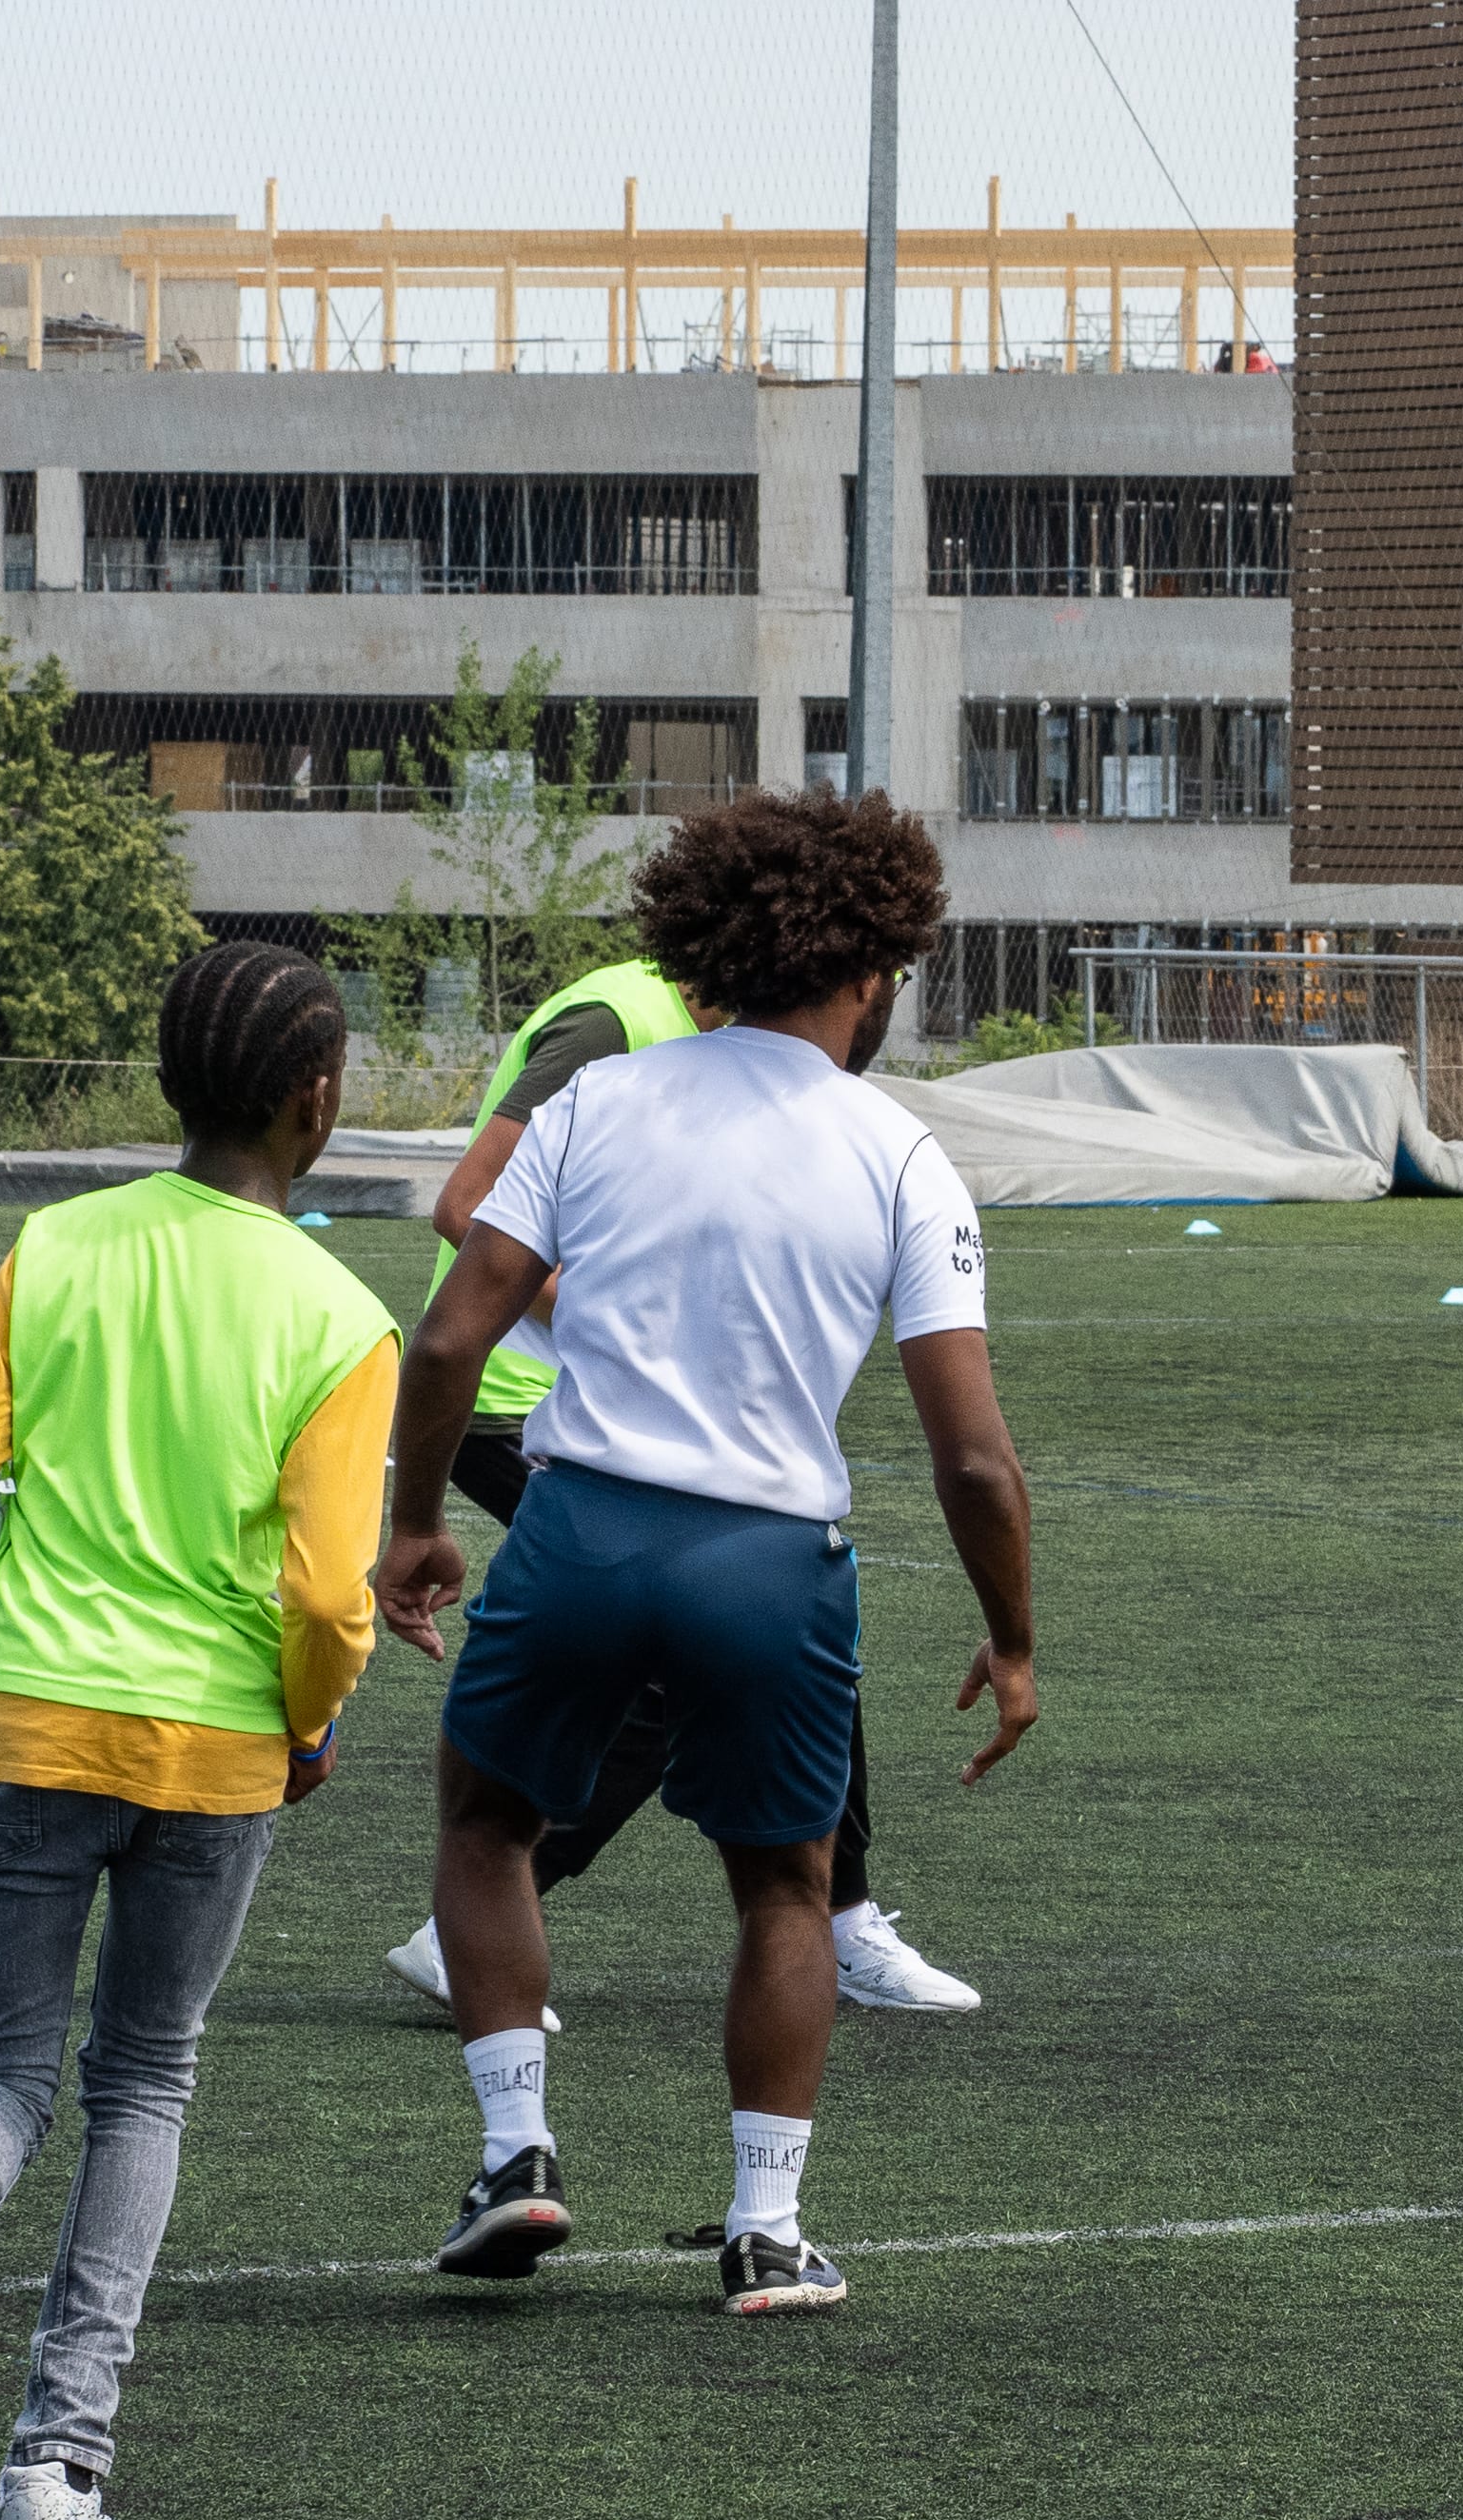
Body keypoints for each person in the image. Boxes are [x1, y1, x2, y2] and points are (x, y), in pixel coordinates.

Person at [373, 789, 1038, 2315]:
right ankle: (766, 2232)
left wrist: (415, 1525)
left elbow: (452, 1334)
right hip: (768, 1561)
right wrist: (1012, 1639)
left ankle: (517, 2157)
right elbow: (975, 1455)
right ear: (871, 971)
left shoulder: (599, 1105)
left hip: (585, 1529)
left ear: (702, 941)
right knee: (786, 1892)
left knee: (485, 1828)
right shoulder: (900, 1152)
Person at [0, 943, 397, 2520]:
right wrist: (307, 1717)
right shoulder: (342, 1317)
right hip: (216, 1736)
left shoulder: (53, 1247)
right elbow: (323, 1590)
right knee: (143, 2076)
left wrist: (19, 1600)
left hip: (25, 1708)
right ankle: (54, 2476)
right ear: (318, 1097)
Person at [378, 955, 985, 2029]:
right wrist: (631, 1331)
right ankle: (477, 1913)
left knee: (788, 1596)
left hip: (611, 1407)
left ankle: (840, 1915)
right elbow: (466, 1202)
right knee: (669, 1645)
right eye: (880, 970)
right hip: (527, 1399)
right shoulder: (614, 1026)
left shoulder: (754, 1065)